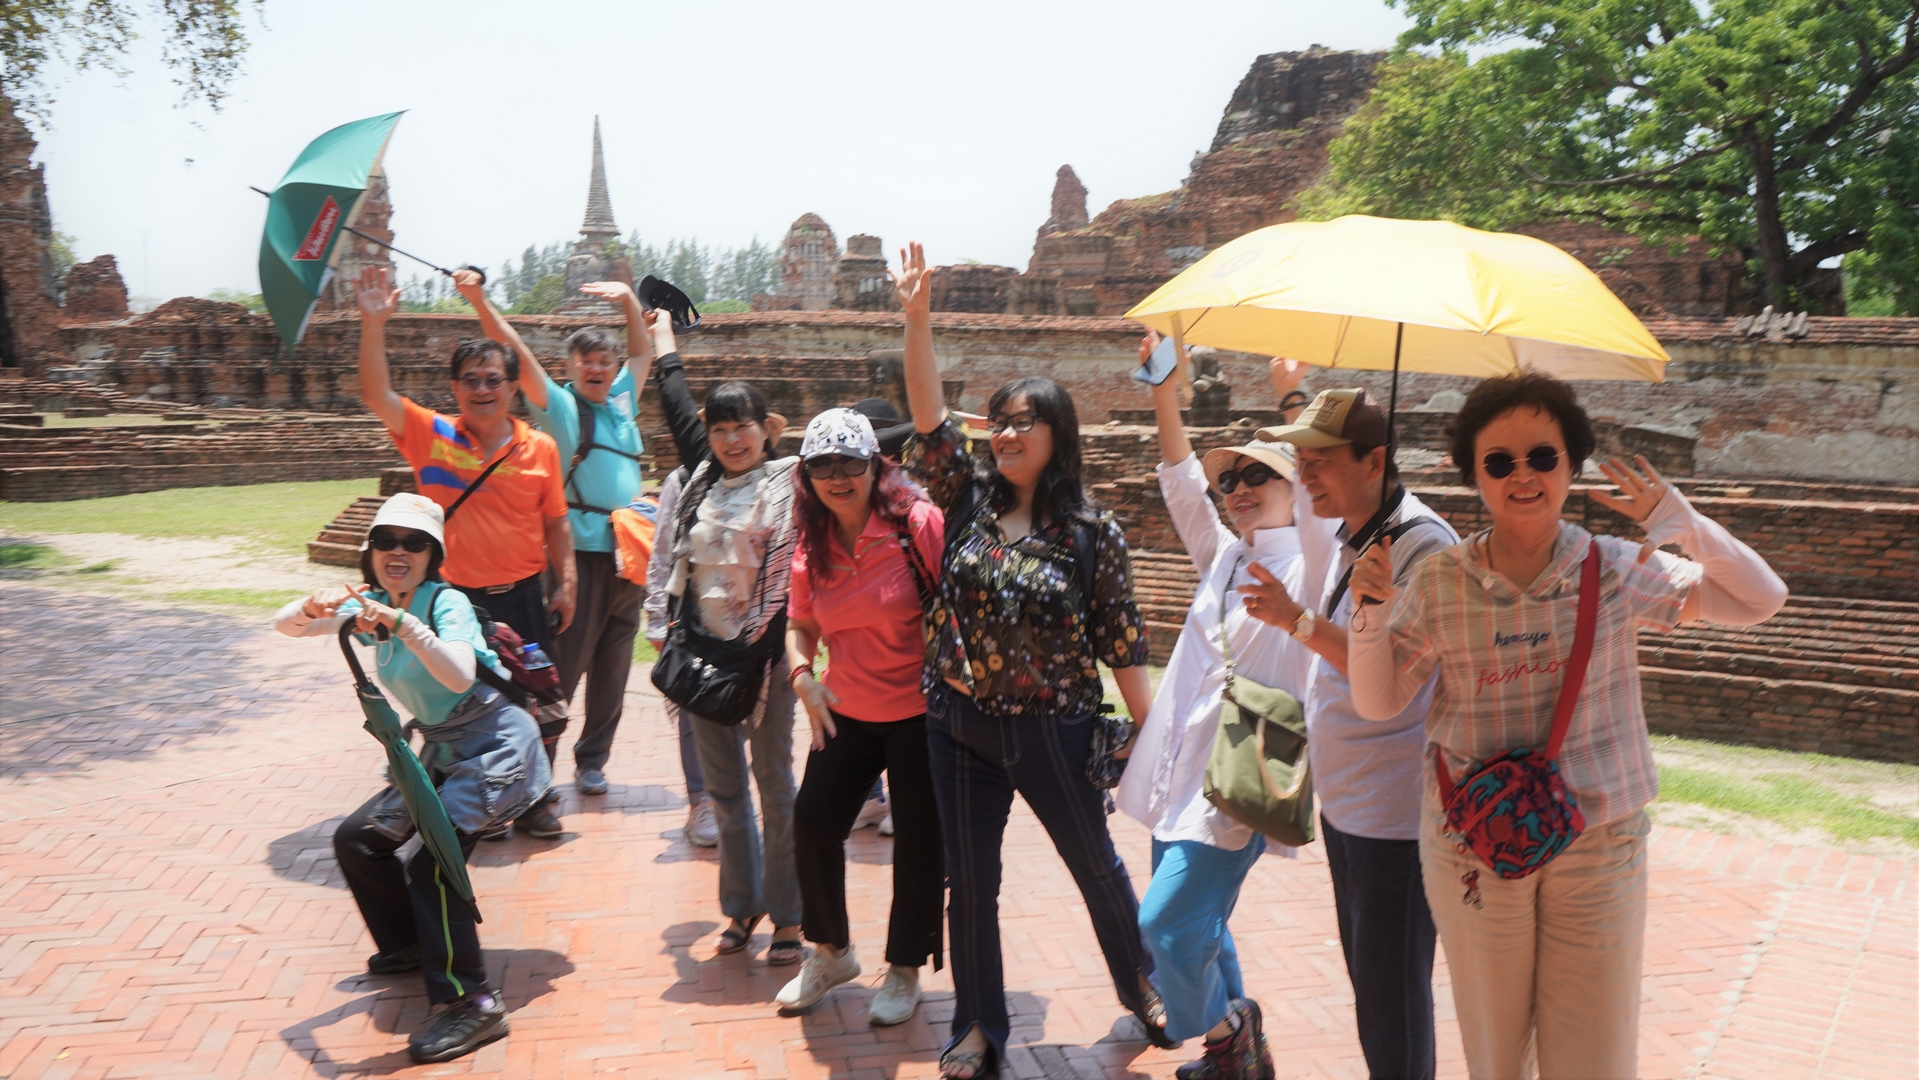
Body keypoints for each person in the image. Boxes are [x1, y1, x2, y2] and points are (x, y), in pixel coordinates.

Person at [1345, 373, 1787, 1079]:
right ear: (1474, 476)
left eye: (1542, 456)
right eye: (1499, 461)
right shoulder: (1437, 581)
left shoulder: (1614, 568)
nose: (1522, 475)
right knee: (1496, 1056)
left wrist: (1683, 523)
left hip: (1597, 841)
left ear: (1570, 464)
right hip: (1474, 843)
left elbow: (1761, 599)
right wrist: (1366, 613)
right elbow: (1379, 700)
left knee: (1594, 1058)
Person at [895, 242, 1162, 1080]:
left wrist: (1153, 733)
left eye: (1024, 422)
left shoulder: (1089, 531)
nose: (1006, 433)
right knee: (970, 884)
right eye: (999, 421)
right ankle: (978, 1026)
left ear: (1057, 436)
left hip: (1055, 729)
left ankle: (1142, 984)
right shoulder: (965, 500)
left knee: (1095, 866)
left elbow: (1120, 639)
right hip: (957, 723)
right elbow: (928, 418)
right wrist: (916, 319)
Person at [1115, 337, 1328, 1080]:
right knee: (1199, 925)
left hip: (1237, 781)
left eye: (1258, 474)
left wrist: (1292, 398)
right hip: (1179, 772)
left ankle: (1228, 1024)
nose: (1238, 487)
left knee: (1166, 924)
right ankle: (1236, 1055)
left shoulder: (1314, 564)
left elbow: (1321, 502)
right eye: (1231, 478)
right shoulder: (1228, 556)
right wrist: (1163, 390)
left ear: (1296, 485)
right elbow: (1183, 486)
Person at [274, 493, 551, 1064]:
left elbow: (459, 674)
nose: (398, 552)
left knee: (436, 863)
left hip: (495, 748)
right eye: (386, 541)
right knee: (359, 840)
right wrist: (311, 605)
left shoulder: (445, 603)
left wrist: (404, 625)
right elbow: (287, 626)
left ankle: (473, 1004)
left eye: (415, 543)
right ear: (369, 552)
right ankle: (413, 945)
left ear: (432, 556)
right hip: (442, 748)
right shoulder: (373, 604)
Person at [1237, 385, 1460, 1080]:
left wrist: (1295, 620)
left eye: (1321, 461)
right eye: (1300, 461)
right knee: (1374, 988)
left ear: (1374, 461)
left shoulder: (1422, 545)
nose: (1305, 476)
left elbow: (1390, 677)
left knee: (1392, 999)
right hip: (1352, 804)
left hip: (1395, 814)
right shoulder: (1357, 535)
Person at [355, 266, 575, 840]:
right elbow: (376, 394)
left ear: (511, 387)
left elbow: (556, 521)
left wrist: (567, 582)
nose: (482, 389)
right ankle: (482, 795)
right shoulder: (433, 437)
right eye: (470, 380)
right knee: (464, 704)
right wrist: (373, 322)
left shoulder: (539, 448)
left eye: (493, 379)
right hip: (453, 601)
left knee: (534, 696)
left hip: (522, 594)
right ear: (455, 389)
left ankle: (536, 796)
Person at [775, 408, 946, 1024]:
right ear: (807, 475)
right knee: (814, 820)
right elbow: (800, 625)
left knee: (919, 841)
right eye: (822, 466)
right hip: (846, 707)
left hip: (922, 711)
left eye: (850, 463)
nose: (837, 477)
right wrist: (803, 677)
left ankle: (904, 969)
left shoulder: (917, 524)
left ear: (876, 465)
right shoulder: (811, 543)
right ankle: (831, 952)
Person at [458, 273, 651, 798]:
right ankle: (537, 766)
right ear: (570, 368)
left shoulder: (621, 402)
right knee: (561, 669)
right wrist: (480, 301)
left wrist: (630, 302)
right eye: (586, 362)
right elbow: (516, 355)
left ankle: (593, 761)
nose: (597, 369)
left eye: (604, 362)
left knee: (614, 667)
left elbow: (642, 354)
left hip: (628, 557)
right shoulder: (563, 409)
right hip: (581, 557)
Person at [649, 346, 806, 965]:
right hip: (704, 660)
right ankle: (742, 907)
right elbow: (675, 406)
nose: (732, 440)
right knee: (725, 791)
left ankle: (789, 917)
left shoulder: (791, 482)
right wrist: (663, 339)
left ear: (767, 430)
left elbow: (872, 441)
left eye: (743, 426)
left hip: (766, 659)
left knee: (775, 786)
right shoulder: (700, 483)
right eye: (719, 429)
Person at [644, 462, 719, 848]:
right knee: (693, 711)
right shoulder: (683, 480)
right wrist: (658, 619)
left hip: (752, 619)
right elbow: (662, 551)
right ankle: (702, 801)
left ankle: (734, 801)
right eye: (718, 432)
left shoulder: (772, 475)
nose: (732, 440)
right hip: (692, 618)